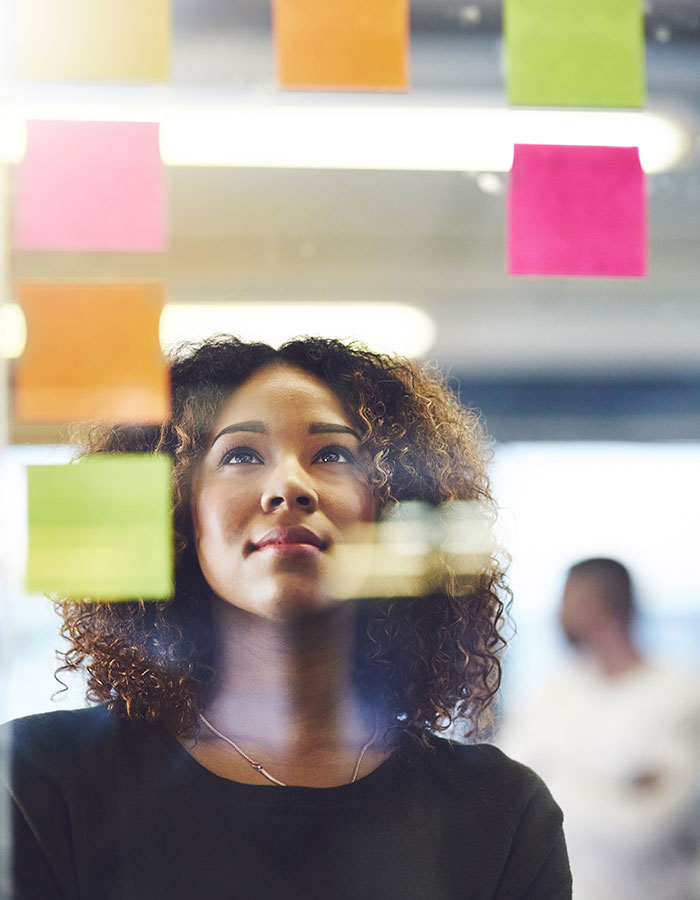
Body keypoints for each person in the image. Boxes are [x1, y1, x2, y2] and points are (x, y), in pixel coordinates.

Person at [2, 336, 571, 899]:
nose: (290, 486)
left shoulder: (501, 812)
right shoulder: (39, 783)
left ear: (390, 506)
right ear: (178, 510)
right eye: (241, 455)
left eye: (332, 455)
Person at [499, 557, 700, 900]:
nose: (558, 616)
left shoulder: (682, 696)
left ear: (601, 605)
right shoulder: (554, 693)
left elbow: (648, 828)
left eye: (568, 600)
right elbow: (506, 797)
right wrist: (616, 789)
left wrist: (553, 781)